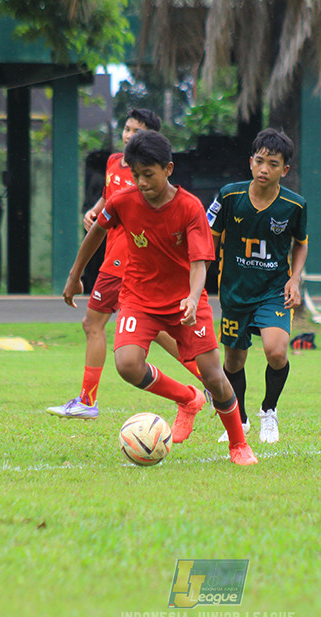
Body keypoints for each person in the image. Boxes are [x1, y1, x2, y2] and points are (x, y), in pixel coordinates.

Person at [61, 130, 258, 465]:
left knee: (214, 376)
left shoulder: (189, 208)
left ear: (168, 169)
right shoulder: (123, 201)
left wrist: (193, 298)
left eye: (148, 174)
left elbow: (199, 263)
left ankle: (238, 444)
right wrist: (74, 275)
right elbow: (96, 231)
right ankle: (187, 398)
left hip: (185, 302)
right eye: (136, 174)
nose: (141, 182)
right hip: (139, 299)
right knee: (127, 365)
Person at [47, 109, 205, 419]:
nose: (129, 135)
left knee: (93, 324)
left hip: (125, 259)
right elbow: (109, 200)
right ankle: (208, 379)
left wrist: (75, 274)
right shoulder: (113, 162)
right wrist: (94, 212)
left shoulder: (152, 176)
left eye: (137, 131)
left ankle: (88, 401)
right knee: (153, 330)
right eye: (127, 128)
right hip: (114, 256)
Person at [207, 128, 308, 444]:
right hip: (235, 291)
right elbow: (208, 242)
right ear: (251, 162)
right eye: (260, 161)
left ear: (284, 170)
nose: (264, 169)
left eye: (273, 164)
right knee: (233, 361)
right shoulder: (229, 196)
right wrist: (195, 285)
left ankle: (269, 411)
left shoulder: (294, 205)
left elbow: (301, 243)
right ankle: (239, 419)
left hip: (273, 291)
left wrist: (294, 279)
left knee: (275, 352)